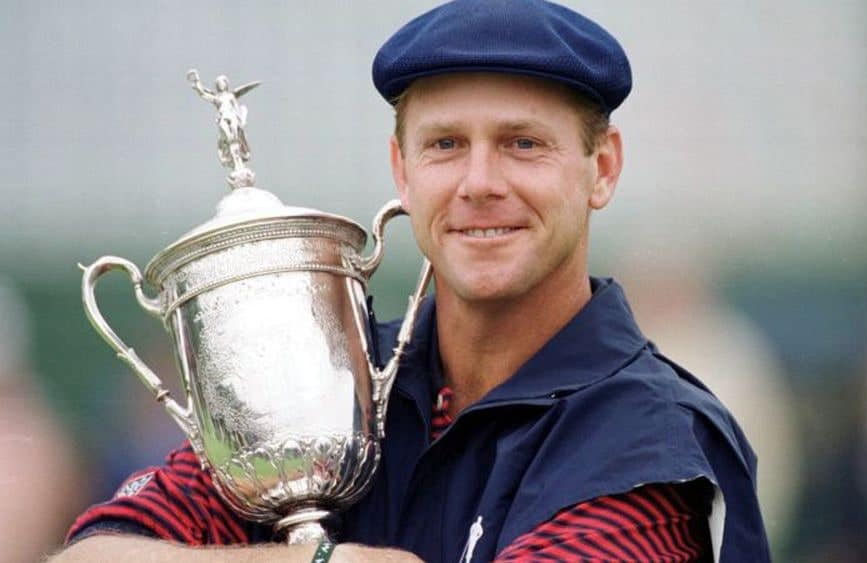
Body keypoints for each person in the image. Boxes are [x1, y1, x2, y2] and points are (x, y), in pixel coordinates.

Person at [52, 1, 769, 561]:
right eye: (445, 145)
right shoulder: (333, 389)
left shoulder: (648, 443)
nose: (479, 182)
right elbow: (94, 555)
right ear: (402, 169)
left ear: (602, 168)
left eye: (523, 143)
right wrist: (322, 560)